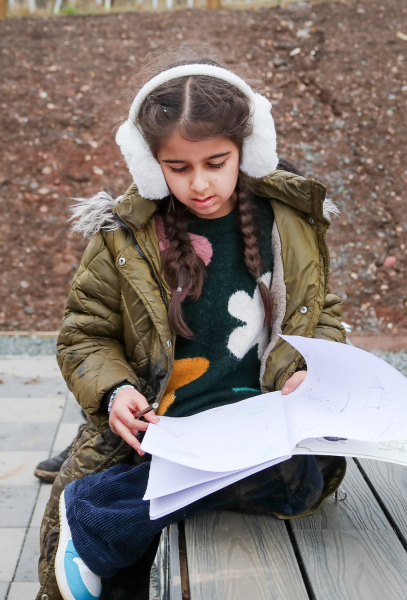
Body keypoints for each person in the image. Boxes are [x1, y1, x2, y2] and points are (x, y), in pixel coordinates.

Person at [37, 48, 347, 600]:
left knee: (304, 481)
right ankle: (94, 516)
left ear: (248, 151)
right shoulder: (126, 238)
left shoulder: (290, 225)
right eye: (177, 168)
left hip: (259, 426)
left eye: (215, 163)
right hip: (161, 431)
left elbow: (321, 312)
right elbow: (85, 332)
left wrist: (308, 368)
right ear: (147, 162)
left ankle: (117, 507)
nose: (199, 184)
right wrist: (115, 391)